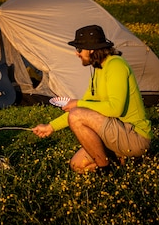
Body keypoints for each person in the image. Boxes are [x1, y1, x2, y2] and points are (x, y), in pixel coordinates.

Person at [32, 25, 152, 173]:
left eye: (79, 49)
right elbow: (84, 108)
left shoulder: (116, 66)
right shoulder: (98, 70)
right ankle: (121, 159)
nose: (77, 54)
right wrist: (50, 127)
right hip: (116, 132)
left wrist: (77, 103)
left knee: (77, 114)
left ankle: (105, 170)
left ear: (91, 50)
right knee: (77, 165)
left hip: (134, 136)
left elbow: (115, 108)